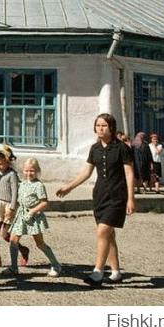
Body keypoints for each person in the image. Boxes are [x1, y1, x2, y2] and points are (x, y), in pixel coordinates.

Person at [56, 113, 135, 287]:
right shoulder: (95, 148)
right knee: (108, 234)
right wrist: (69, 187)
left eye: (104, 126)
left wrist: (131, 198)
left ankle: (98, 272)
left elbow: (129, 173)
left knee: (102, 231)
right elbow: (86, 172)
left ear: (112, 128)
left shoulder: (122, 148)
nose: (100, 129)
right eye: (98, 125)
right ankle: (115, 272)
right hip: (100, 195)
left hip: (117, 196)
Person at [8, 158, 62, 277]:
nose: (29, 173)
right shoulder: (22, 184)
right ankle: (13, 267)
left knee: (40, 243)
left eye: (32, 171)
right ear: (23, 171)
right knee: (13, 240)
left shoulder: (39, 185)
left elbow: (44, 202)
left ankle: (56, 265)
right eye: (26, 170)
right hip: (21, 216)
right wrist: (11, 211)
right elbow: (18, 201)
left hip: (33, 218)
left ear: (37, 171)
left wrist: (32, 211)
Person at [0, 145, 29, 269]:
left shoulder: (12, 175)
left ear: (8, 162)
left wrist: (11, 208)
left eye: (1, 163)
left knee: (6, 235)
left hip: (8, 206)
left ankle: (23, 250)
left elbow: (15, 192)